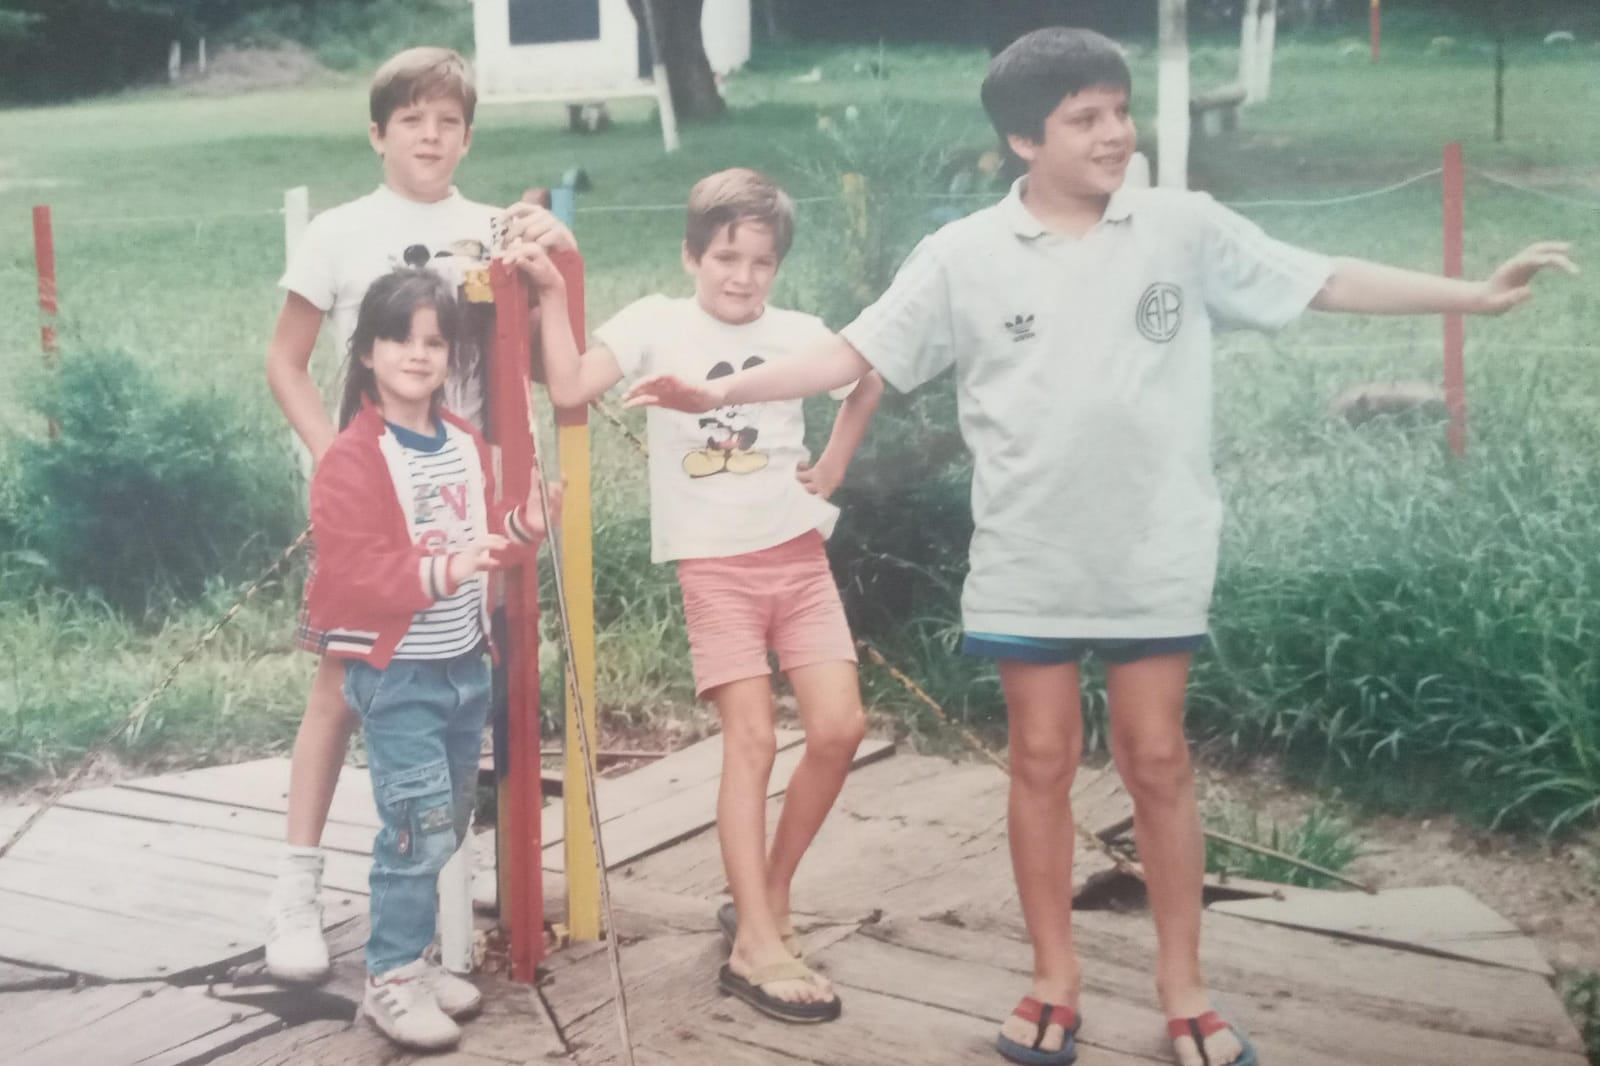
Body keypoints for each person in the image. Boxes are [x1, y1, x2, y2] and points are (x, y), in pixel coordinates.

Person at [622, 28, 1578, 1066]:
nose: (1115, 132)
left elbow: (1321, 278)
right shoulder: (963, 256)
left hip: (1154, 548)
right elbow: (852, 352)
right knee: (1039, 759)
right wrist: (719, 389)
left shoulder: (1180, 228)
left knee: (1156, 756)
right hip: (1029, 553)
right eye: (1085, 117)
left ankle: (1186, 988)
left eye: (1119, 110)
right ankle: (1052, 978)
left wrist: (1472, 296)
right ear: (1023, 138)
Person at [502, 167, 883, 1023]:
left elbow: (868, 375)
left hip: (798, 556)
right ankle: (755, 941)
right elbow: (566, 385)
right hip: (715, 567)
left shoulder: (797, 332)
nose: (742, 276)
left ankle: (766, 896)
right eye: (725, 257)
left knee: (840, 728)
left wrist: (835, 466)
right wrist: (554, 291)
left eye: (760, 261)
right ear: (691, 255)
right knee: (750, 738)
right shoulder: (656, 323)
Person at [263, 45, 575, 981]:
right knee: (345, 681)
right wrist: (335, 457)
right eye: (411, 120)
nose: (430, 136)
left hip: (468, 493)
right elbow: (285, 359)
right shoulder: (339, 232)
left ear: (468, 135)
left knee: (458, 681)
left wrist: (546, 245)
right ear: (377, 133)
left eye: (448, 122)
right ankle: (299, 886)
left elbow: (531, 351)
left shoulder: (494, 225)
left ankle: (455, 878)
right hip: (373, 495)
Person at [307, 267, 558, 1050]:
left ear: (452, 356)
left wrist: (524, 527)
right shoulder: (352, 458)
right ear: (368, 350)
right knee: (413, 830)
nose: (417, 355)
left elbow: (486, 543)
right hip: (399, 674)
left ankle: (412, 960)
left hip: (460, 668)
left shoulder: (460, 444)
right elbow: (355, 573)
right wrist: (445, 570)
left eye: (434, 343)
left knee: (445, 826)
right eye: (399, 339)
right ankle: (389, 980)